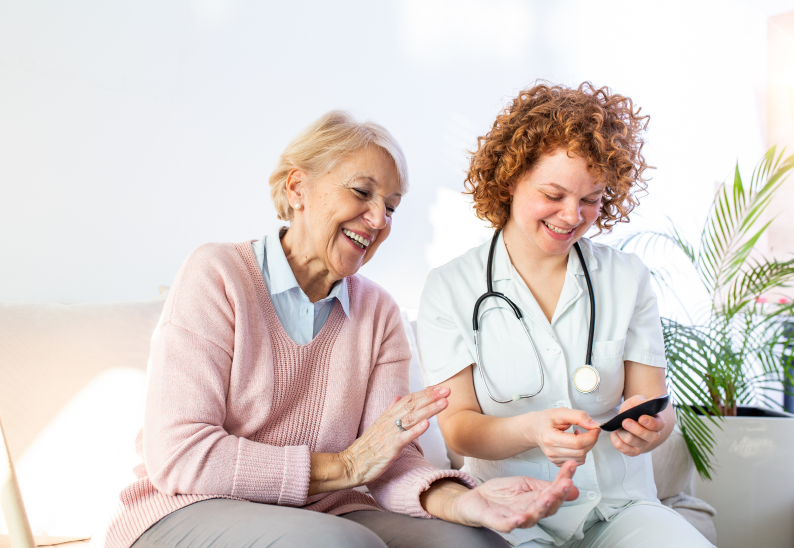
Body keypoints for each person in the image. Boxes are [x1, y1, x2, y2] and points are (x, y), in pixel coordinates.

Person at [93, 111, 581, 548]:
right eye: (362, 192)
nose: (377, 220)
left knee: (478, 546)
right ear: (297, 188)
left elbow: (387, 459)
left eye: (391, 205)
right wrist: (344, 468)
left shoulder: (379, 313)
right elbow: (181, 455)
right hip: (183, 509)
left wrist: (464, 502)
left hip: (326, 511)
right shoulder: (217, 274)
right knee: (340, 545)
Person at [417, 83, 714, 547]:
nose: (572, 215)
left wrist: (651, 429)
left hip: (620, 507)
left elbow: (654, 403)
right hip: (513, 512)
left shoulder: (626, 277)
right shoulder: (451, 288)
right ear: (510, 178)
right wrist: (532, 429)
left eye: (591, 198)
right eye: (553, 194)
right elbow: (458, 430)